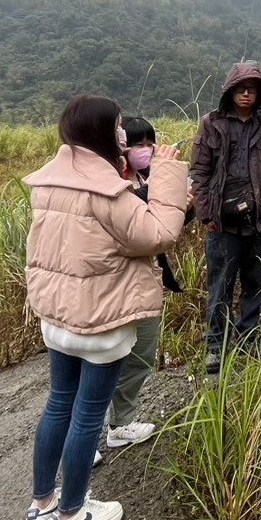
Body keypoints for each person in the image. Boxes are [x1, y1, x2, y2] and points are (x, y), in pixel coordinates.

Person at [22, 95, 189, 520]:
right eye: (117, 127)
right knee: (88, 412)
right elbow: (157, 234)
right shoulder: (107, 190)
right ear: (99, 132)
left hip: (57, 315)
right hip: (99, 318)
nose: (123, 135)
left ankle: (41, 507)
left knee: (59, 403)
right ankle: (74, 513)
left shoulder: (48, 182)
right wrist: (170, 175)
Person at [189, 61, 261, 373]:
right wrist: (207, 214)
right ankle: (215, 346)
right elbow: (200, 171)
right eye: (240, 89)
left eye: (253, 89)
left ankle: (249, 341)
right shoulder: (212, 123)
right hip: (222, 223)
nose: (246, 94)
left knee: (256, 283)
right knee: (220, 285)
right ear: (230, 91)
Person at [103, 116, 192, 449]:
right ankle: (82, 441)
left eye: (149, 144)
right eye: (137, 144)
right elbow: (126, 214)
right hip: (115, 282)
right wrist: (161, 190)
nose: (145, 150)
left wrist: (184, 206)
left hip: (146, 279)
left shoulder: (146, 176)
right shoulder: (108, 178)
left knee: (142, 351)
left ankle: (121, 423)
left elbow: (161, 232)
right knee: (103, 360)